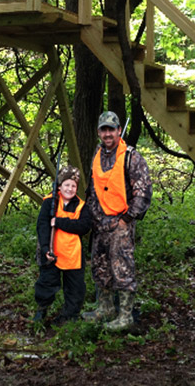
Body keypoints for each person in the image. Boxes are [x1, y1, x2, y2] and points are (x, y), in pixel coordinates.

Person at [82, 111, 152, 331]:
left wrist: (127, 218)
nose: (107, 133)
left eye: (111, 129)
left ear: (119, 130)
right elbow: (93, 188)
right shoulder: (97, 153)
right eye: (104, 129)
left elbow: (143, 192)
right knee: (100, 267)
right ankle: (105, 308)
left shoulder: (132, 157)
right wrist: (93, 216)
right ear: (99, 132)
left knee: (122, 269)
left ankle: (125, 316)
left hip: (120, 223)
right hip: (99, 223)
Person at [34, 165, 91, 324]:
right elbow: (43, 226)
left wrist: (60, 222)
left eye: (73, 186)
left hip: (73, 254)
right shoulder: (49, 202)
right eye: (66, 185)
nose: (70, 188)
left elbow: (84, 226)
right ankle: (41, 311)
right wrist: (45, 249)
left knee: (75, 288)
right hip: (52, 253)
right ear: (59, 186)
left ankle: (69, 316)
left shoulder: (81, 205)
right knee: (46, 283)